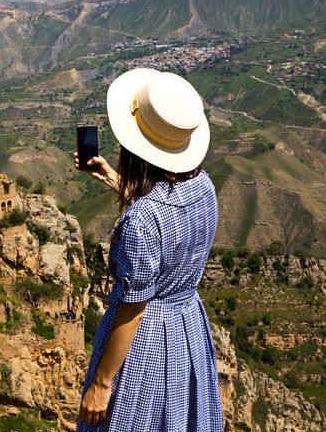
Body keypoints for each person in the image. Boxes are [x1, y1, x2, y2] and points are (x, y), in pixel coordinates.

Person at [75, 68, 222, 431]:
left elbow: (134, 308)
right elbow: (168, 220)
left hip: (146, 342)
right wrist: (114, 179)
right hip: (188, 326)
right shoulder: (205, 186)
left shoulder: (142, 219)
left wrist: (101, 383)